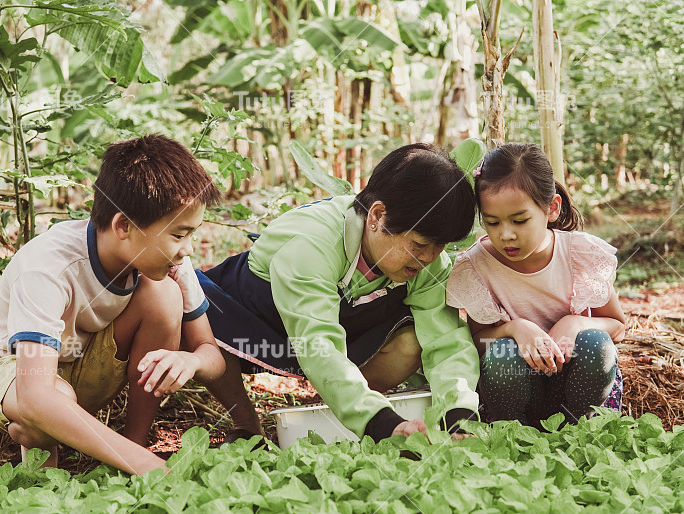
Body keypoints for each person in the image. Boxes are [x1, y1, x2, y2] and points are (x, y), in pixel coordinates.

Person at [0, 135, 225, 474]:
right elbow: (35, 395)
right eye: (178, 235)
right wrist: (150, 468)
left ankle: (132, 444)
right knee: (44, 406)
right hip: (11, 373)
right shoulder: (49, 267)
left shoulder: (170, 260)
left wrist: (191, 360)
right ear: (123, 226)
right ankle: (45, 471)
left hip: (74, 368)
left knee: (163, 295)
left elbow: (212, 355)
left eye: (191, 233)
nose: (187, 248)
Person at [198, 143, 481, 444]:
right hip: (258, 314)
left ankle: (338, 406)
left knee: (412, 342)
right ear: (378, 216)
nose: (429, 259)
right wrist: (380, 424)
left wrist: (459, 413)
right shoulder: (312, 246)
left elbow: (447, 340)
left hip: (345, 323)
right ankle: (246, 424)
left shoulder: (430, 262)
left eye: (440, 246)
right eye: (420, 245)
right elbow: (318, 343)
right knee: (196, 314)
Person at [446, 143, 625, 428]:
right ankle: (514, 434)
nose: (506, 235)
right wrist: (514, 329)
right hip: (515, 388)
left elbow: (617, 326)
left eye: (520, 220)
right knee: (501, 355)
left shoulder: (579, 254)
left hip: (574, 385)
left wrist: (576, 323)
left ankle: (580, 430)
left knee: (597, 345)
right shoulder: (475, 267)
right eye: (491, 222)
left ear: (551, 208)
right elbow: (477, 344)